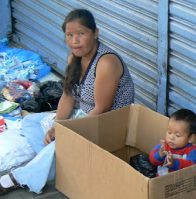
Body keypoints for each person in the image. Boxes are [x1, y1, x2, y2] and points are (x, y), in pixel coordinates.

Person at [0, 8, 134, 195]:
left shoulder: (106, 62)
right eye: (69, 35)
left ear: (95, 33)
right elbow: (67, 96)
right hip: (84, 116)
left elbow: (102, 109)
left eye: (81, 34)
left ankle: (19, 177)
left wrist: (66, 132)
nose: (74, 41)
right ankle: (56, 161)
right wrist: (57, 126)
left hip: (108, 123)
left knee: (60, 141)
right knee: (31, 122)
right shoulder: (74, 58)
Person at [149, 109, 196, 176]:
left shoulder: (193, 151)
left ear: (190, 138)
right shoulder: (164, 146)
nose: (171, 137)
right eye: (169, 132)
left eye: (177, 135)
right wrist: (160, 154)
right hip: (160, 181)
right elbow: (152, 160)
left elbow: (193, 167)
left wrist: (174, 163)